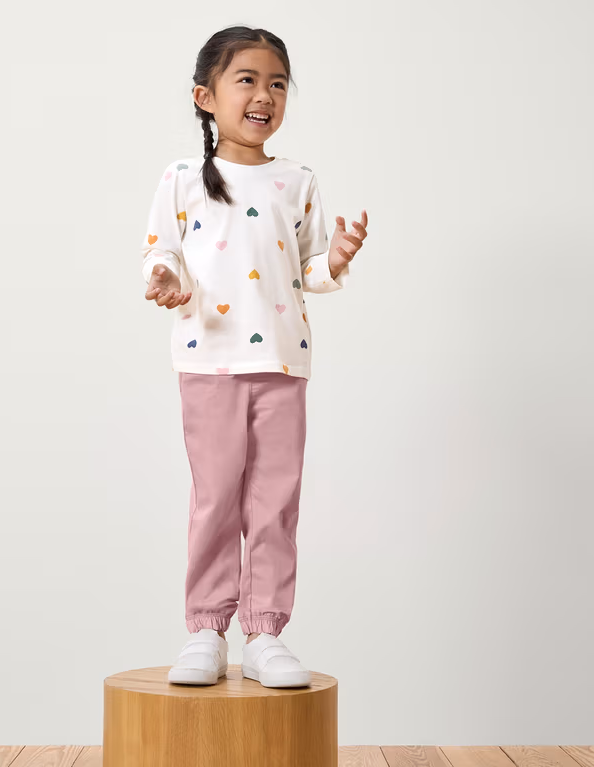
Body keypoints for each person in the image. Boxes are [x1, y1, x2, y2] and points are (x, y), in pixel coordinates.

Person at [140, 26, 368, 688]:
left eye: (277, 84)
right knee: (215, 498)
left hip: (283, 365)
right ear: (205, 97)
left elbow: (308, 269)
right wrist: (164, 277)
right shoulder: (183, 179)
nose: (264, 95)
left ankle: (266, 631)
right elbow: (160, 251)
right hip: (208, 361)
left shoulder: (297, 180)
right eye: (247, 80)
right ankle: (206, 629)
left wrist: (336, 258)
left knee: (275, 501)